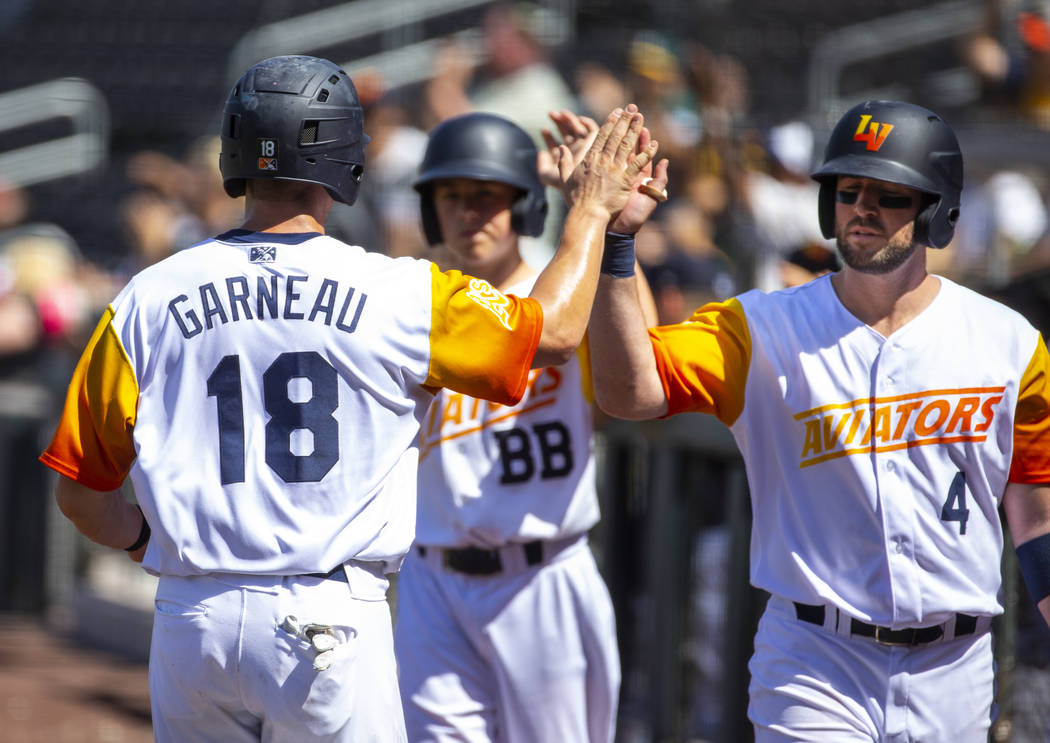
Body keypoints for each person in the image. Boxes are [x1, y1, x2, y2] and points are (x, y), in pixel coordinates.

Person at [37, 54, 657, 743]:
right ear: (344, 160)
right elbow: (554, 334)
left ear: (236, 153)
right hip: (325, 621)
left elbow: (80, 495)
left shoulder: (143, 299)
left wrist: (146, 537)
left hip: (192, 619)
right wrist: (594, 210)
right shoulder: (396, 291)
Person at [586, 99, 1050, 741]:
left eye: (888, 194)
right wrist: (615, 243)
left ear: (936, 210)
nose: (861, 208)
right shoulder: (760, 329)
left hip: (957, 668)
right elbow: (627, 391)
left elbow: (1038, 517)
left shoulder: (1010, 344)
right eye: (847, 189)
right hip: (816, 664)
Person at [392, 110, 663, 742]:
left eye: (490, 196)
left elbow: (643, 357)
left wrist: (608, 227)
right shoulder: (413, 299)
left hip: (543, 577)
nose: (470, 214)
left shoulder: (559, 290)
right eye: (452, 197)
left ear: (525, 207)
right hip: (433, 580)